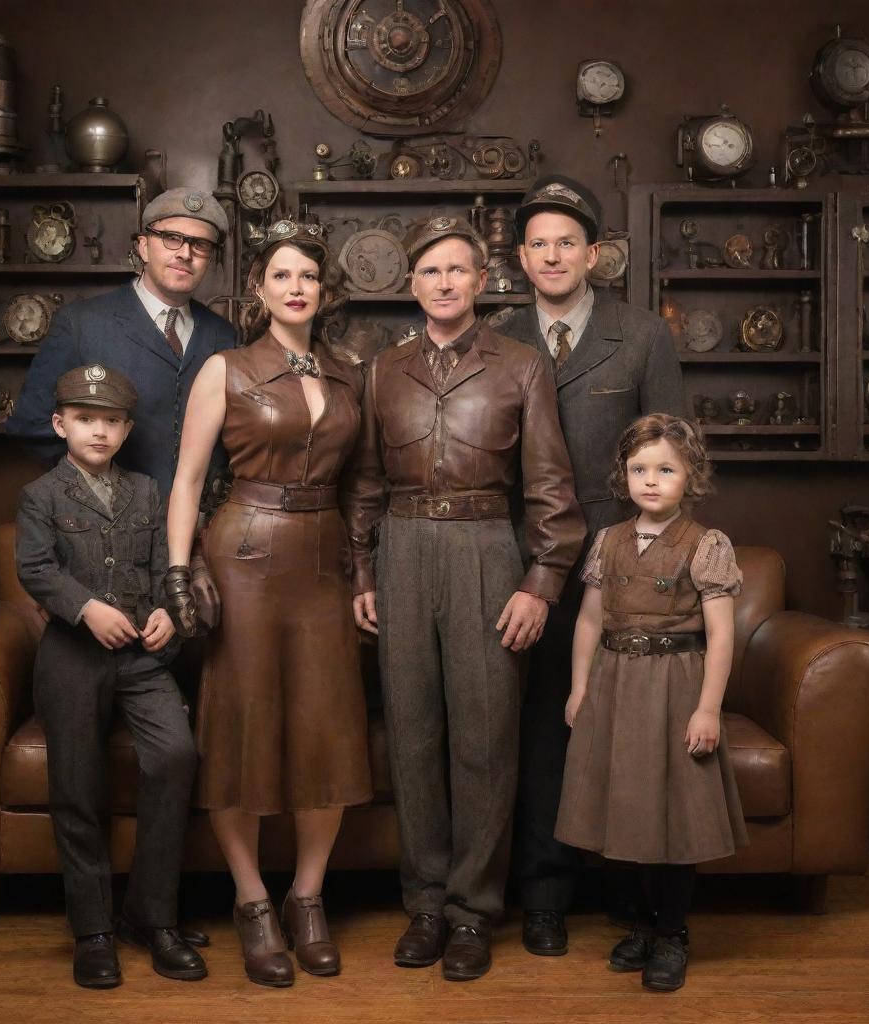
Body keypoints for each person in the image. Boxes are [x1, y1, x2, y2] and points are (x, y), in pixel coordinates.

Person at [344, 215, 585, 981]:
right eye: (430, 272)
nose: (444, 283)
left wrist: (540, 584)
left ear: (483, 282)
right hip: (404, 551)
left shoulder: (521, 366)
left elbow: (550, 490)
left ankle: (474, 911)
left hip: (487, 547)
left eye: (458, 271)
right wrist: (364, 572)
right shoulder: (383, 370)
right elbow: (369, 484)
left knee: (484, 738)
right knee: (413, 735)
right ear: (410, 285)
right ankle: (424, 904)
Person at [165, 220, 373, 988]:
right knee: (240, 725)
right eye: (281, 275)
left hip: (323, 561)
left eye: (308, 277)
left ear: (324, 292)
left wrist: (363, 572)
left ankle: (307, 897)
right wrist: (181, 571)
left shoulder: (350, 373)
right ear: (258, 290)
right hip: (244, 554)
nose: (296, 287)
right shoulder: (225, 367)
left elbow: (360, 487)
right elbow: (187, 481)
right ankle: (253, 901)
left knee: (327, 726)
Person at [491, 175, 684, 956]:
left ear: (594, 254)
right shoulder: (497, 335)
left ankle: (634, 899)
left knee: (623, 733)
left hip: (619, 564)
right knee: (539, 732)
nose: (553, 254)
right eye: (539, 242)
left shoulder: (641, 335)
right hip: (524, 568)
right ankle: (543, 895)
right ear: (520, 257)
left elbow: (673, 453)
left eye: (568, 241)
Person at [15, 365, 206, 989]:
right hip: (72, 656)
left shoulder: (148, 492)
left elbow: (162, 568)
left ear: (126, 430)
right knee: (76, 784)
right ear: (60, 424)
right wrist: (85, 608)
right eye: (85, 419)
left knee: (175, 756)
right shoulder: (40, 495)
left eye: (111, 421)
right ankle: (93, 928)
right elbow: (37, 570)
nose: (98, 431)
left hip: (140, 659)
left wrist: (164, 616)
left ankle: (151, 918)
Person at [554, 413, 748, 991]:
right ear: (624, 476)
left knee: (670, 813)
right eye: (639, 469)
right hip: (614, 684)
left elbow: (721, 635)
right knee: (623, 807)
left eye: (666, 469)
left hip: (675, 687)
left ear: (691, 475)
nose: (651, 480)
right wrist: (580, 688)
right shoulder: (607, 541)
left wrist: (708, 707)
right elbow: (589, 622)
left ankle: (671, 932)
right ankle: (637, 923)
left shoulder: (705, 544)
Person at [6, 187, 238, 499]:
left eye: (200, 245)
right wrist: (93, 493)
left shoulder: (224, 335)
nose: (185, 253)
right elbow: (32, 424)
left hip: (202, 527)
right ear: (143, 246)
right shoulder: (81, 324)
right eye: (172, 238)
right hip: (109, 530)